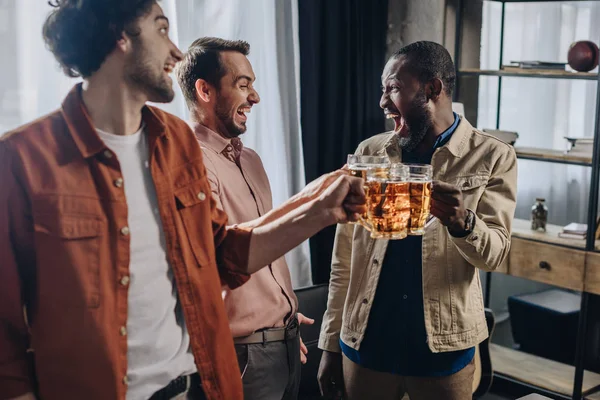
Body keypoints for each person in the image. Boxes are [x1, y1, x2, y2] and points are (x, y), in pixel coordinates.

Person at [0, 2, 366, 400]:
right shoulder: (22, 159)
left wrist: (321, 210)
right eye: (161, 30)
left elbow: (222, 256)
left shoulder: (176, 143)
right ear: (118, 35)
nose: (175, 51)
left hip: (195, 387)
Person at [317, 41, 517, 400]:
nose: (382, 103)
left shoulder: (493, 156)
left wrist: (462, 222)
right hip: (366, 344)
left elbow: (495, 254)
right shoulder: (369, 152)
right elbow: (343, 260)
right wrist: (330, 345)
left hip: (443, 350)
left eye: (392, 88)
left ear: (432, 89)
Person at [175, 37, 312, 400]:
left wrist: (280, 318)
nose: (255, 97)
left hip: (282, 342)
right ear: (205, 90)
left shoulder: (250, 158)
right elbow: (217, 254)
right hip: (242, 354)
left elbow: (265, 247)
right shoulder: (188, 159)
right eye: (242, 85)